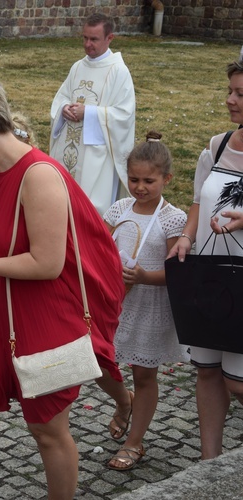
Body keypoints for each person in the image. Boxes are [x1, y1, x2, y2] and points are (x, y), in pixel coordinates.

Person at [0, 74, 124, 499]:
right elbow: (10, 237)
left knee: (46, 430)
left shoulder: (38, 175)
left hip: (40, 318)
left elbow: (47, 263)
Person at [168, 58, 243, 460]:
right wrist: (185, 237)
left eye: (241, 94)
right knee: (209, 371)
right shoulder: (217, 145)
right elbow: (199, 201)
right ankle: (209, 461)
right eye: (230, 90)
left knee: (240, 383)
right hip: (211, 277)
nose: (231, 100)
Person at [103, 131, 189, 471]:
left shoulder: (174, 218)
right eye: (134, 179)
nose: (139, 187)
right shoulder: (119, 208)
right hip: (116, 301)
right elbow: (101, 246)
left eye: (148, 181)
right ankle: (124, 402)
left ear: (166, 179)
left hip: (149, 304)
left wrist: (144, 277)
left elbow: (176, 273)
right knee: (98, 361)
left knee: (144, 374)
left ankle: (134, 441)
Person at [49, 13, 135, 216]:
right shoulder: (78, 67)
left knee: (88, 209)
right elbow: (61, 97)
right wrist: (64, 109)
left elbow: (123, 115)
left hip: (97, 156)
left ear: (109, 38)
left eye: (94, 39)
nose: (88, 44)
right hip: (69, 148)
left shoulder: (119, 71)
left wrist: (88, 112)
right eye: (85, 38)